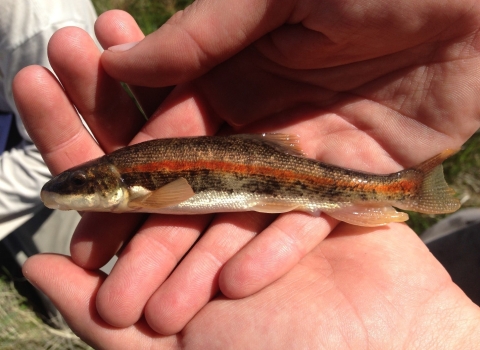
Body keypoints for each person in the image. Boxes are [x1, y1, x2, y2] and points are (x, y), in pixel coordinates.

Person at [14, 0, 480, 348]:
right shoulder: (128, 176)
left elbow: (169, 194)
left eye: (77, 187)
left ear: (106, 184)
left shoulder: (133, 180)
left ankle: (405, 188)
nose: (68, 192)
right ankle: (401, 189)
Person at [0, 0, 98, 322]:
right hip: (13, 129)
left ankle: (62, 323)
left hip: (51, 167)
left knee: (76, 292)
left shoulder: (43, 22)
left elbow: (51, 156)